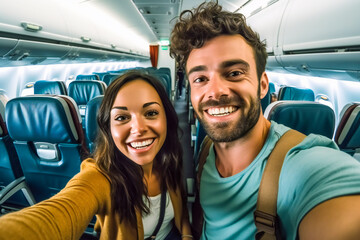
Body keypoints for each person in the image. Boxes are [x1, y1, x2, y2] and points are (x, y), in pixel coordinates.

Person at [170, 1, 360, 240]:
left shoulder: (303, 167)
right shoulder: (207, 149)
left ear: (262, 85)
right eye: (200, 78)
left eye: (234, 73)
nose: (215, 91)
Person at [0, 71, 192, 240]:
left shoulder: (168, 157)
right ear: (109, 129)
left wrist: (186, 234)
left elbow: (180, 207)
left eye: (150, 113)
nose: (139, 129)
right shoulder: (101, 177)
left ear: (166, 118)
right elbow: (57, 214)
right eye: (122, 118)